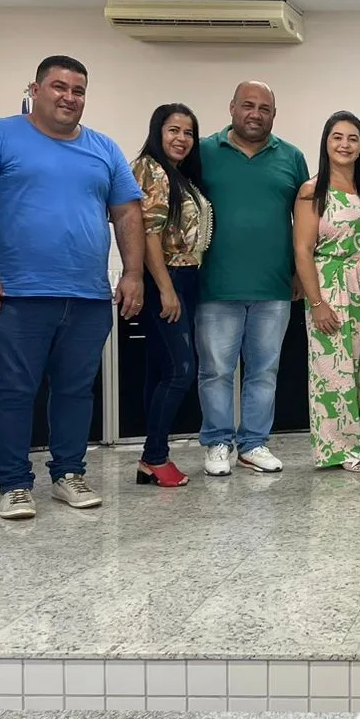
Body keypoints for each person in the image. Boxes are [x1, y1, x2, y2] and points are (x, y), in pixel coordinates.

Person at [0, 55, 144, 518]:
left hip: (87, 296)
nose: (69, 97)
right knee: (13, 391)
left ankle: (69, 473)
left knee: (76, 390)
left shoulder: (103, 148)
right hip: (17, 294)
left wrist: (133, 273)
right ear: (36, 89)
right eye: (59, 87)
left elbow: (127, 212)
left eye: (78, 90)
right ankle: (13, 484)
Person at [195, 81, 308, 477]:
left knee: (264, 372)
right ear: (232, 108)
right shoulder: (203, 151)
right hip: (215, 285)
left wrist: (300, 272)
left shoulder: (292, 157)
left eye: (264, 108)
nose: (255, 114)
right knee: (215, 371)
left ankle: (254, 444)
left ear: (274, 115)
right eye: (248, 105)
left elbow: (304, 221)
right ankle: (218, 442)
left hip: (274, 287)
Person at [294, 112, 360, 472]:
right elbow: (302, 250)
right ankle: (341, 450)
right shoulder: (312, 191)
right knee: (335, 369)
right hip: (332, 284)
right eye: (337, 137)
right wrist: (316, 303)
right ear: (326, 143)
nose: (345, 144)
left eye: (353, 138)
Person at [131, 103, 210, 488]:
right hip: (167, 278)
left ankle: (152, 456)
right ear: (157, 132)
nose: (181, 138)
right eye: (173, 130)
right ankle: (154, 456)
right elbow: (148, 234)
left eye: (188, 133)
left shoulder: (178, 175)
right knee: (181, 370)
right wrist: (166, 289)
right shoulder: (152, 169)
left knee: (161, 369)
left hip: (185, 278)